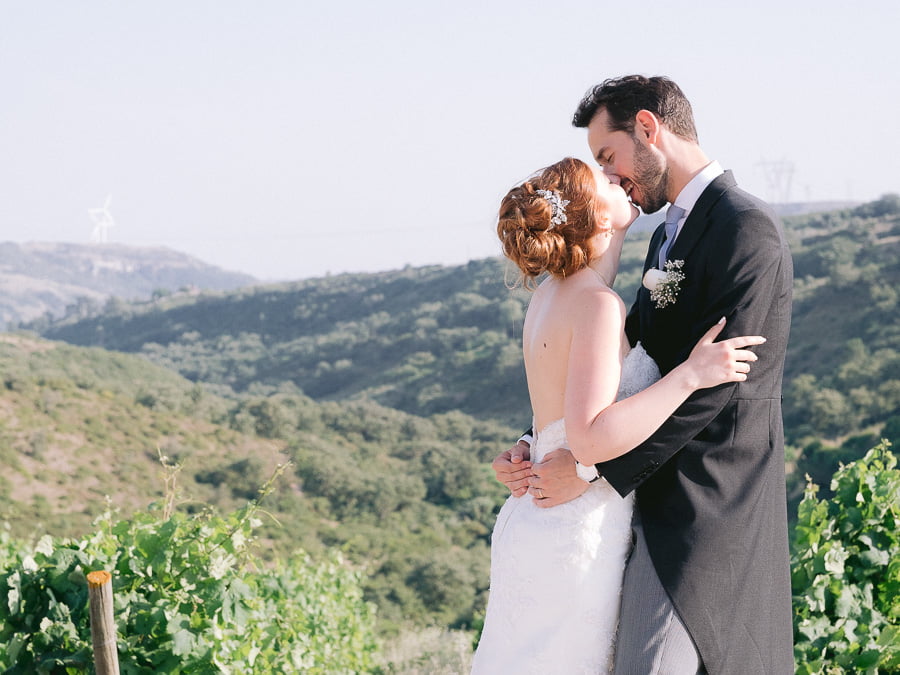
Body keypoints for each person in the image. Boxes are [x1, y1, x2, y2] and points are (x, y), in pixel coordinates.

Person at [492, 76, 794, 674]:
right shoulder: (662, 237)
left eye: (609, 157)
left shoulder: (744, 226)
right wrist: (538, 440)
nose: (610, 177)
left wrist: (590, 469)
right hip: (635, 504)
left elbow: (723, 384)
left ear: (650, 130)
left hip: (702, 507)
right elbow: (618, 371)